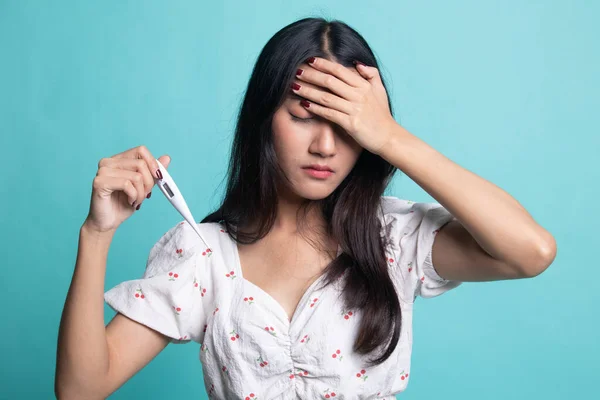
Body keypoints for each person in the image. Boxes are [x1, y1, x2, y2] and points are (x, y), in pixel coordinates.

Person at [55, 17, 557, 400]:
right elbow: (80, 389)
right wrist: (96, 235)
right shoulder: (202, 254)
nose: (325, 146)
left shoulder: (393, 239)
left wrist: (390, 136)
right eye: (303, 117)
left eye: (348, 128)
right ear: (263, 120)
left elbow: (530, 252)